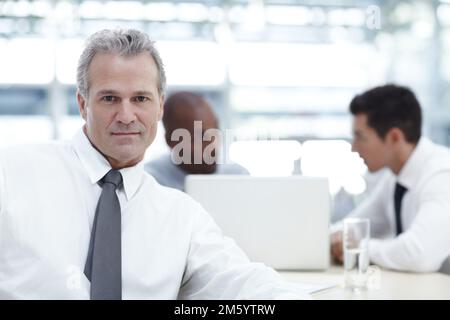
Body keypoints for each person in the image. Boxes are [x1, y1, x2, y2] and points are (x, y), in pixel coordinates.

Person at [0, 29, 308, 299]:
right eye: (109, 98)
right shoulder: (11, 173)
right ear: (83, 104)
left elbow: (243, 283)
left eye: (140, 99)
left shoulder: (181, 217)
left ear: (159, 105)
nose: (126, 115)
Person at [330, 84, 450, 273]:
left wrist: (359, 247)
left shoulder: (442, 174)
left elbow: (418, 255)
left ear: (394, 137)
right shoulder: (395, 177)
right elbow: (354, 226)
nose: (354, 148)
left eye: (361, 137)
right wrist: (337, 238)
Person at [145, 91, 248, 191]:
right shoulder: (150, 182)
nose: (212, 143)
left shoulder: (238, 177)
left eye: (215, 130)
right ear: (170, 141)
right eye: (200, 136)